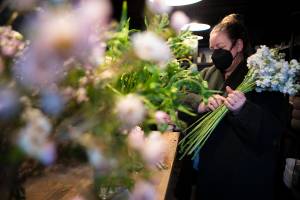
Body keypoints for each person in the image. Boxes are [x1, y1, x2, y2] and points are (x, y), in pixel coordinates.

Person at [176, 13, 289, 200]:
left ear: (238, 46)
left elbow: (273, 129)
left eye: (220, 47)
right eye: (212, 49)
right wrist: (200, 104)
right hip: (210, 172)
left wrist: (243, 109)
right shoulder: (206, 74)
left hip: (245, 178)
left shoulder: (262, 78)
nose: (215, 54)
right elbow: (179, 96)